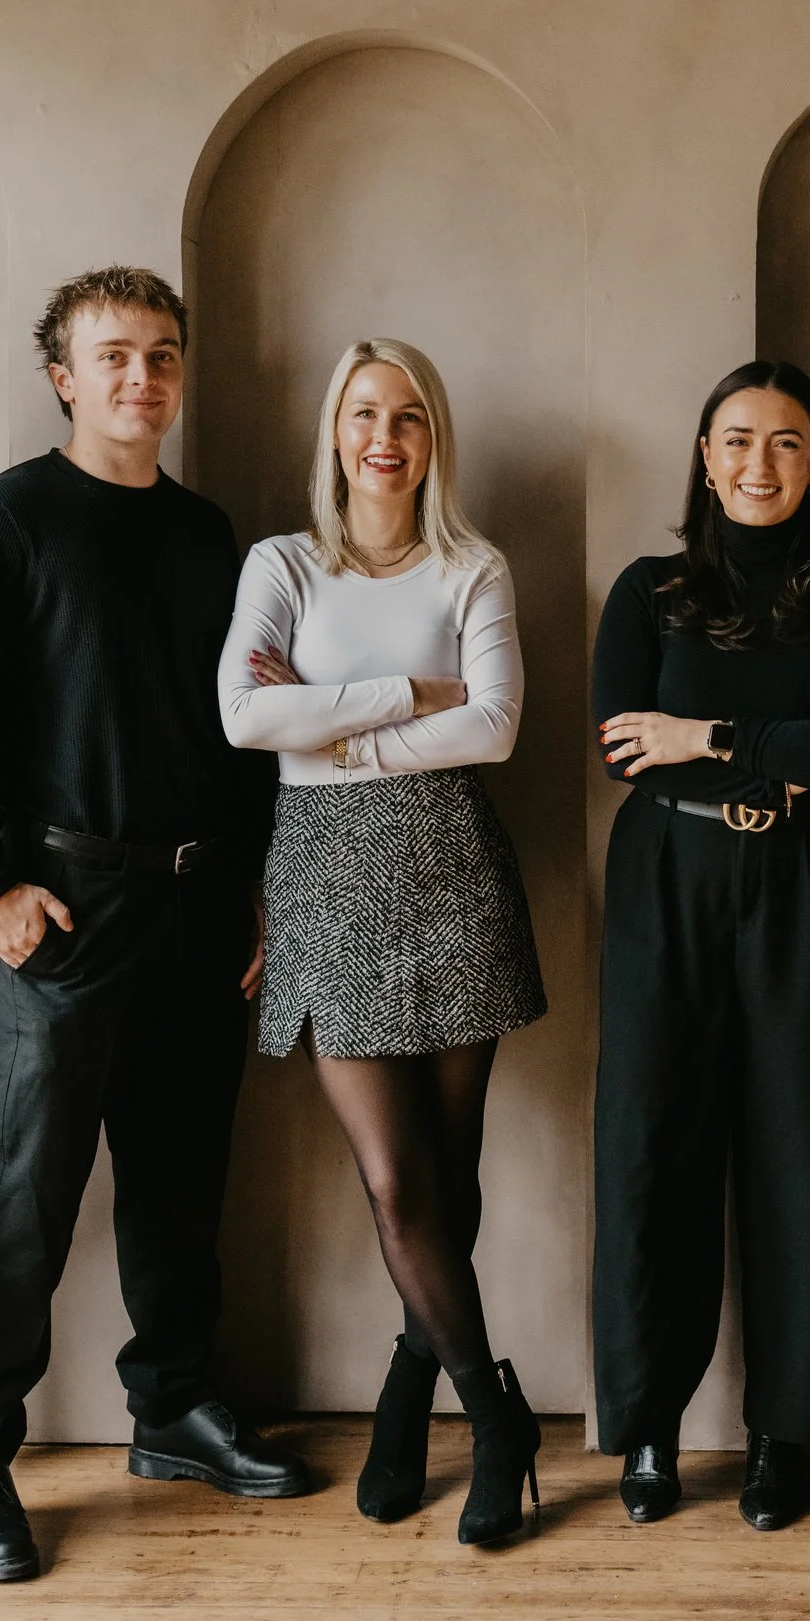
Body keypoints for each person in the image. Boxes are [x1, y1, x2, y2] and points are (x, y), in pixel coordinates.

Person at [0, 265, 308, 1586]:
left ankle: (174, 1406)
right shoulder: (4, 521)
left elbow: (244, 730)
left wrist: (253, 884)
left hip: (198, 900)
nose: (145, 377)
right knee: (23, 1192)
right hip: (61, 909)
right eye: (116, 355)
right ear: (64, 376)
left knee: (184, 1175)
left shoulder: (212, 534)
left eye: (165, 355)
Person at [218, 338, 549, 1545]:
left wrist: (333, 736)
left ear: (432, 435)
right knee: (397, 1178)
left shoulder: (474, 565)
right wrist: (414, 697)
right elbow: (243, 715)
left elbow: (500, 727)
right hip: (323, 879)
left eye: (408, 414)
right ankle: (494, 1412)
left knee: (448, 1177)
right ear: (335, 430)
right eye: (364, 413)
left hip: (454, 870)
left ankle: (409, 1386)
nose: (384, 436)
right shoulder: (283, 563)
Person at [591, 360, 810, 1532]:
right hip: (665, 875)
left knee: (803, 1147)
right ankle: (650, 1433)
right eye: (735, 440)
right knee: (651, 1145)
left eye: (784, 443)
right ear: (704, 453)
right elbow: (624, 749)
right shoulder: (649, 591)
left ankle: (787, 1431)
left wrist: (707, 731)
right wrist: (783, 736)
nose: (757, 463)